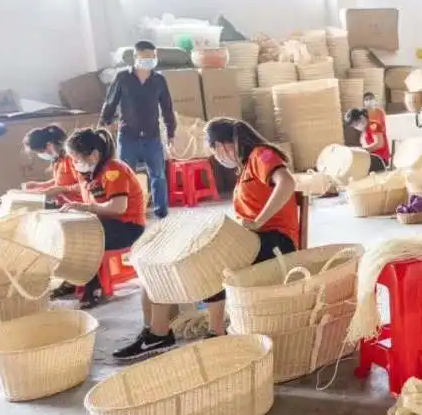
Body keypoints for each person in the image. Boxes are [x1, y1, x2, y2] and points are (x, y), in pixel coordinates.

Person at [112, 119, 299, 360]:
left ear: (221, 145)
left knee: (209, 262)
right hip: (254, 239)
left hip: (276, 242)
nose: (216, 157)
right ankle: (160, 332)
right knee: (183, 258)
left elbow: (287, 182)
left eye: (213, 150)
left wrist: (258, 221)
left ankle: (213, 331)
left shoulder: (260, 155)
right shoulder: (244, 167)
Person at [59, 128, 146, 310]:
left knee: (84, 238)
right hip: (106, 223)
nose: (74, 164)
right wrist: (61, 192)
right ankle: (76, 279)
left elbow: (118, 207)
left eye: (76, 159)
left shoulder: (114, 171)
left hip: (127, 227)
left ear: (94, 155)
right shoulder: (91, 172)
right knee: (69, 233)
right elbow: (83, 190)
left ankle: (92, 286)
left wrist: (85, 207)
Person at [100, 40, 177, 219]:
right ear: (135, 57)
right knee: (125, 176)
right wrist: (105, 124)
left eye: (152, 57)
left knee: (158, 175)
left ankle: (161, 212)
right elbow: (110, 103)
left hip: (152, 136)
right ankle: (128, 211)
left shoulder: (159, 80)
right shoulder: (122, 78)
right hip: (128, 136)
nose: (149, 60)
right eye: (145, 57)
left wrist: (171, 132)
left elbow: (167, 107)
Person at [22, 125, 80, 204]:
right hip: (65, 204)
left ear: (49, 145)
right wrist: (41, 185)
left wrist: (61, 189)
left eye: (41, 151)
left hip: (78, 205)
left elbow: (84, 186)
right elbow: (62, 180)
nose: (40, 155)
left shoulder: (72, 159)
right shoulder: (58, 160)